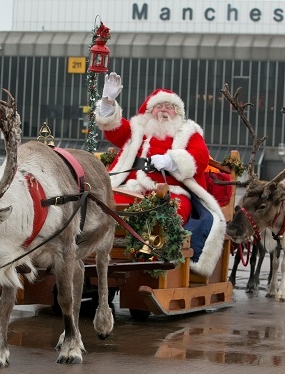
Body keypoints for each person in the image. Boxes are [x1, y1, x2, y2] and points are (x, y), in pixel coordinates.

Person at [96, 72, 226, 277]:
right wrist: (108, 102)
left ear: (178, 113)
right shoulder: (137, 128)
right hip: (129, 187)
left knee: (170, 214)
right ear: (149, 110)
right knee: (103, 207)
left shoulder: (187, 131)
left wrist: (171, 160)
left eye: (170, 107)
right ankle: (102, 251)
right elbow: (114, 130)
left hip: (171, 191)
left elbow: (200, 158)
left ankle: (157, 263)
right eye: (159, 106)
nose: (164, 110)